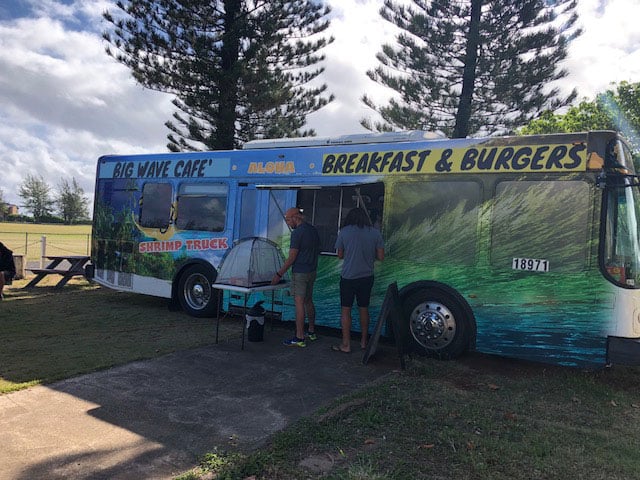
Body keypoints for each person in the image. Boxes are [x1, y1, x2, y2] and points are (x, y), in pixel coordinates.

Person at [333, 207, 384, 353]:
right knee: (364, 308)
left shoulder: (344, 232)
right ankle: (363, 342)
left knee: (345, 311)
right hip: (367, 277)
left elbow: (340, 255)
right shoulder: (375, 233)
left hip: (348, 277)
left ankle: (346, 345)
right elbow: (381, 257)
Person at [271, 207, 320, 347]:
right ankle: (311, 331)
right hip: (312, 271)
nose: (287, 222)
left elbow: (292, 257)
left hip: (300, 273)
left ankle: (299, 337)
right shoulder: (313, 230)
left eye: (288, 219)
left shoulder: (297, 233)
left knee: (299, 304)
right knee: (308, 301)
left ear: (295, 217)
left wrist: (279, 274)